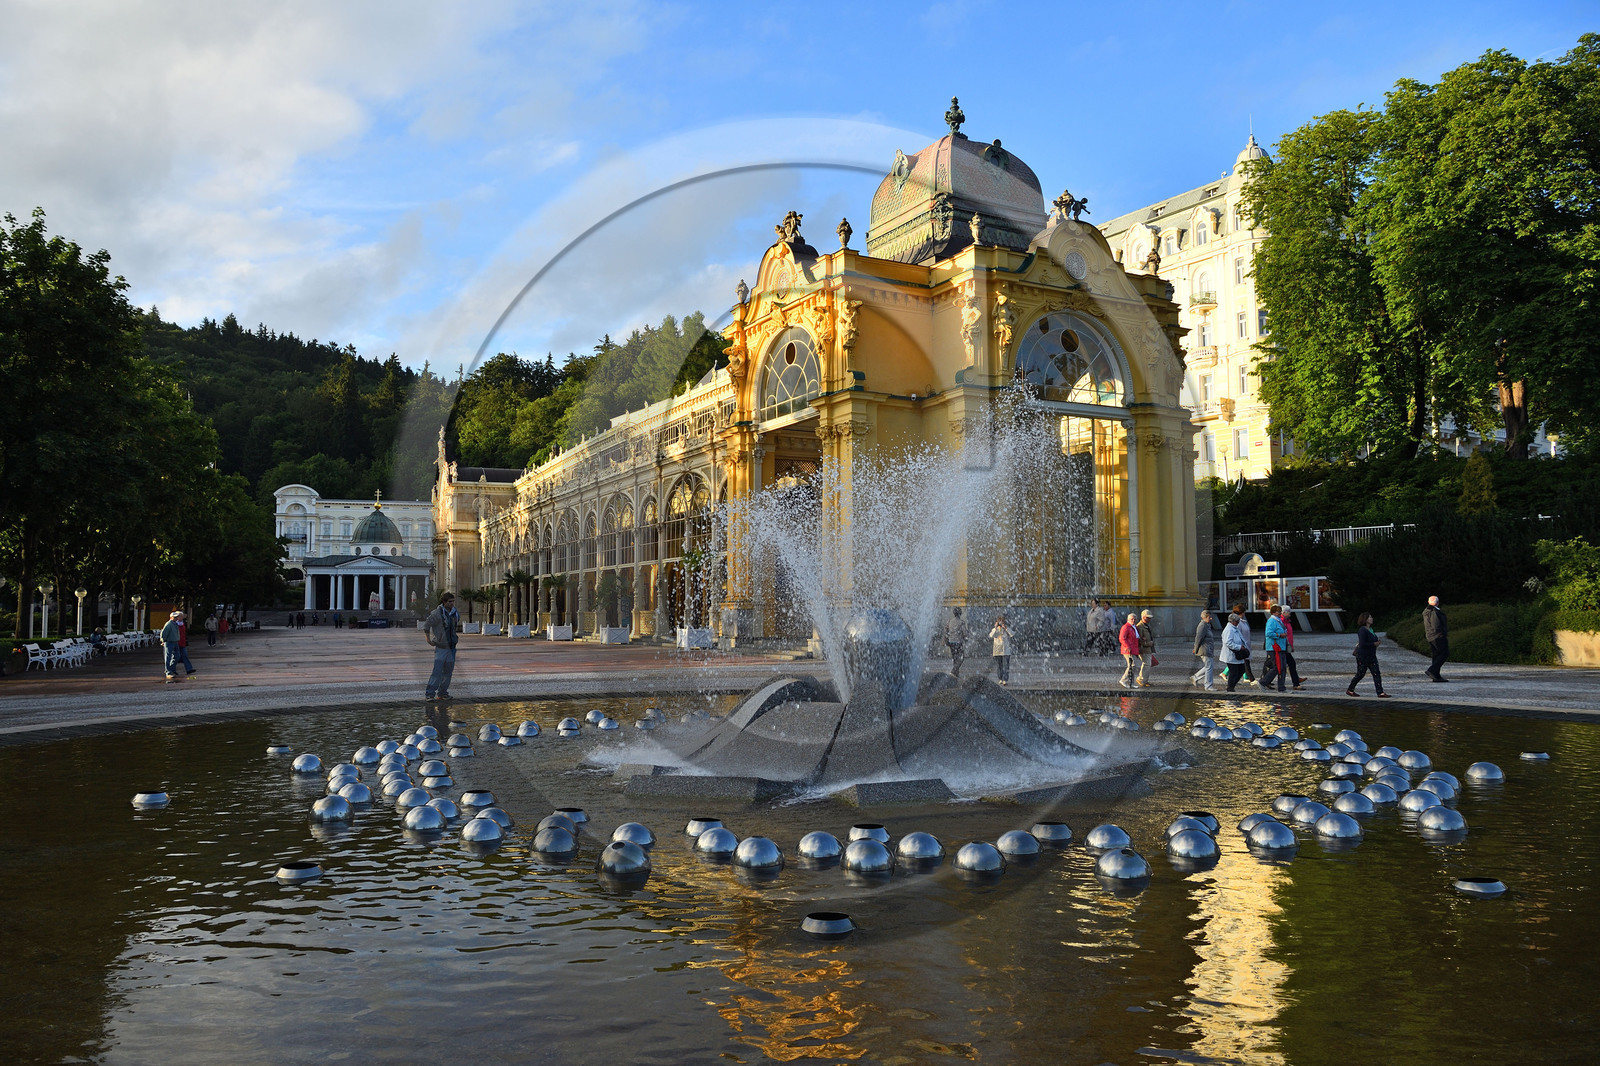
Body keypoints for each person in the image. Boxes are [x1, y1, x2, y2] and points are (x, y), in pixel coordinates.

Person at [423, 592, 461, 700]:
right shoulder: (436, 613)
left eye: (453, 601)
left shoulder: (455, 613)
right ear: (444, 602)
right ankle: (429, 694)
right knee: (437, 672)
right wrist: (428, 639)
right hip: (441, 647)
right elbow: (426, 625)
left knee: (448, 672)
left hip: (452, 647)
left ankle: (442, 693)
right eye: (449, 601)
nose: (452, 603)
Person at [1347, 612, 1389, 697]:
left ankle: (1380, 692)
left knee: (1376, 673)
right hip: (1363, 656)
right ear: (1365, 619)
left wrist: (1377, 642)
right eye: (1370, 617)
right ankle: (1350, 689)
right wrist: (1374, 644)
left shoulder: (1371, 630)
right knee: (1360, 674)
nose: (1372, 618)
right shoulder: (1362, 630)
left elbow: (1373, 640)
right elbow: (1362, 643)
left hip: (1372, 655)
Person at [1220, 611, 1251, 691]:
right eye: (1237, 622)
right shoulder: (1229, 630)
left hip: (1236, 655)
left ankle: (1231, 686)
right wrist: (1239, 647)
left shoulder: (1234, 628)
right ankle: (1230, 688)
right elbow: (1228, 642)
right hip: (1231, 655)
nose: (1238, 623)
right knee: (1234, 672)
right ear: (1233, 622)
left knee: (1241, 670)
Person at [1261, 603, 1288, 692]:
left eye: (1280, 611)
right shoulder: (1272, 621)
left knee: (1283, 667)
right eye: (1278, 612)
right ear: (1273, 612)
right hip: (1275, 648)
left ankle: (1281, 687)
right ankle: (1263, 682)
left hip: (1281, 647)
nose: (1280, 613)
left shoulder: (1278, 620)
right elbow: (1268, 633)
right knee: (1277, 667)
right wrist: (1280, 635)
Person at [1231, 602, 1258, 686]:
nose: (1244, 614)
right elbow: (1236, 634)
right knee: (1245, 663)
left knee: (1240, 665)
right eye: (1243, 612)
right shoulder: (1237, 623)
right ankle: (1251, 679)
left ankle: (1234, 680)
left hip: (1246, 645)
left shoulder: (1243, 621)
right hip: (1241, 646)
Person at [1423, 595, 1449, 682]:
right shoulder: (1434, 611)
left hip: (1431, 636)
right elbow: (1436, 625)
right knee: (1444, 654)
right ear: (1437, 603)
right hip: (1437, 636)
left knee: (1436, 655)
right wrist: (1442, 633)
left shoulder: (1427, 611)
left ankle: (1436, 675)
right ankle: (1432, 670)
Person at [1190, 609, 1217, 690]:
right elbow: (1198, 638)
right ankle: (1208, 686)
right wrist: (1195, 648)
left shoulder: (1206, 625)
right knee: (1209, 667)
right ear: (1205, 617)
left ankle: (1195, 677)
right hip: (1205, 649)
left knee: (1209, 666)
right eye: (1209, 617)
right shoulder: (1202, 625)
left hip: (1208, 649)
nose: (1211, 618)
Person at [1279, 607, 1305, 689]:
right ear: (1283, 612)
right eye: (1288, 612)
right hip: (1282, 646)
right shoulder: (1281, 622)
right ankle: (1296, 683)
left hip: (1286, 646)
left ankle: (1296, 681)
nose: (1290, 613)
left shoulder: (1287, 622)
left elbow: (1290, 635)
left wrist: (1291, 646)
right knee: (1288, 664)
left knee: (1288, 664)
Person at [160, 610, 186, 683]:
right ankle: (168, 672)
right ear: (171, 617)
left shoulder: (175, 624)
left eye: (176, 617)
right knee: (168, 657)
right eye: (175, 617)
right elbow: (163, 633)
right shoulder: (168, 624)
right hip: (169, 642)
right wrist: (163, 640)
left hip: (175, 642)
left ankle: (172, 669)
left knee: (177, 656)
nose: (176, 618)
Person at [1118, 612, 1142, 689]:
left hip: (1133, 649)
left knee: (1133, 666)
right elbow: (1122, 638)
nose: (1133, 620)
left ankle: (1131, 683)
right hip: (1127, 650)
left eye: (1135, 619)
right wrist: (1127, 646)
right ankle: (1124, 680)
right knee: (1132, 665)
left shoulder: (1134, 627)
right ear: (1128, 619)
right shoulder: (1126, 627)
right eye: (1132, 619)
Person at [989, 614, 1013, 685]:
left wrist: (1006, 628)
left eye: (1002, 622)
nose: (1000, 623)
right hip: (997, 650)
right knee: (999, 665)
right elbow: (991, 635)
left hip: (1006, 650)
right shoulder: (994, 630)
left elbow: (1012, 634)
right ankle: (1000, 678)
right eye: (999, 621)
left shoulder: (1006, 629)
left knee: (1006, 665)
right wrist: (996, 627)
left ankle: (1005, 679)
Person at [945, 607, 968, 678]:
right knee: (961, 657)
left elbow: (946, 631)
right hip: (958, 642)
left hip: (951, 642)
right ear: (960, 613)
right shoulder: (961, 622)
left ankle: (956, 673)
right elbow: (965, 633)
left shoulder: (949, 621)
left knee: (955, 657)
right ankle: (954, 670)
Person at [1135, 609, 1156, 687]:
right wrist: (1147, 643)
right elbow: (1139, 639)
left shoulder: (1146, 625)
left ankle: (1144, 680)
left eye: (1150, 618)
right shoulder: (1140, 626)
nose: (1149, 619)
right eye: (1147, 617)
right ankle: (1141, 679)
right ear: (1143, 617)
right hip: (1144, 649)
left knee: (1147, 664)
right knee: (1147, 664)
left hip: (1148, 648)